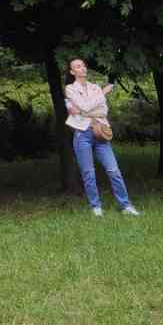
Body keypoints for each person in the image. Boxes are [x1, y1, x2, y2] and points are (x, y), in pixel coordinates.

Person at [63, 58, 139, 217]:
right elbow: (85, 107)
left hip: (100, 131)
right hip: (82, 134)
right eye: (78, 66)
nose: (83, 68)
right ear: (72, 72)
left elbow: (103, 111)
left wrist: (83, 110)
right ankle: (96, 207)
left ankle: (126, 205)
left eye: (83, 65)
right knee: (88, 173)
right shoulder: (70, 89)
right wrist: (102, 94)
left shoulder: (95, 87)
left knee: (114, 170)